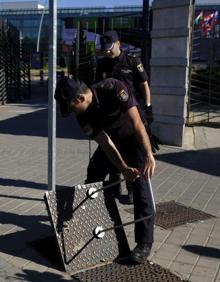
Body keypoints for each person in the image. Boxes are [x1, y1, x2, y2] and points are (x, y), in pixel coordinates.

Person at [55, 76, 156, 264]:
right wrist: (123, 168)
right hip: (112, 142)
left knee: (141, 187)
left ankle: (144, 243)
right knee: (93, 176)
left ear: (80, 98)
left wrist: (148, 154)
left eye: (71, 107)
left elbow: (137, 123)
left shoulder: (113, 88)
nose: (72, 112)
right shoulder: (83, 116)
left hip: (134, 137)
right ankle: (89, 222)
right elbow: (106, 143)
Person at [96, 30, 155, 203]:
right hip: (111, 116)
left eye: (110, 47)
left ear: (118, 43)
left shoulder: (132, 61)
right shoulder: (102, 64)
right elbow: (98, 87)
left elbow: (144, 85)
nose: (107, 51)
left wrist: (148, 107)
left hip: (130, 113)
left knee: (131, 151)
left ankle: (132, 188)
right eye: (104, 48)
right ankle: (114, 186)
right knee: (113, 149)